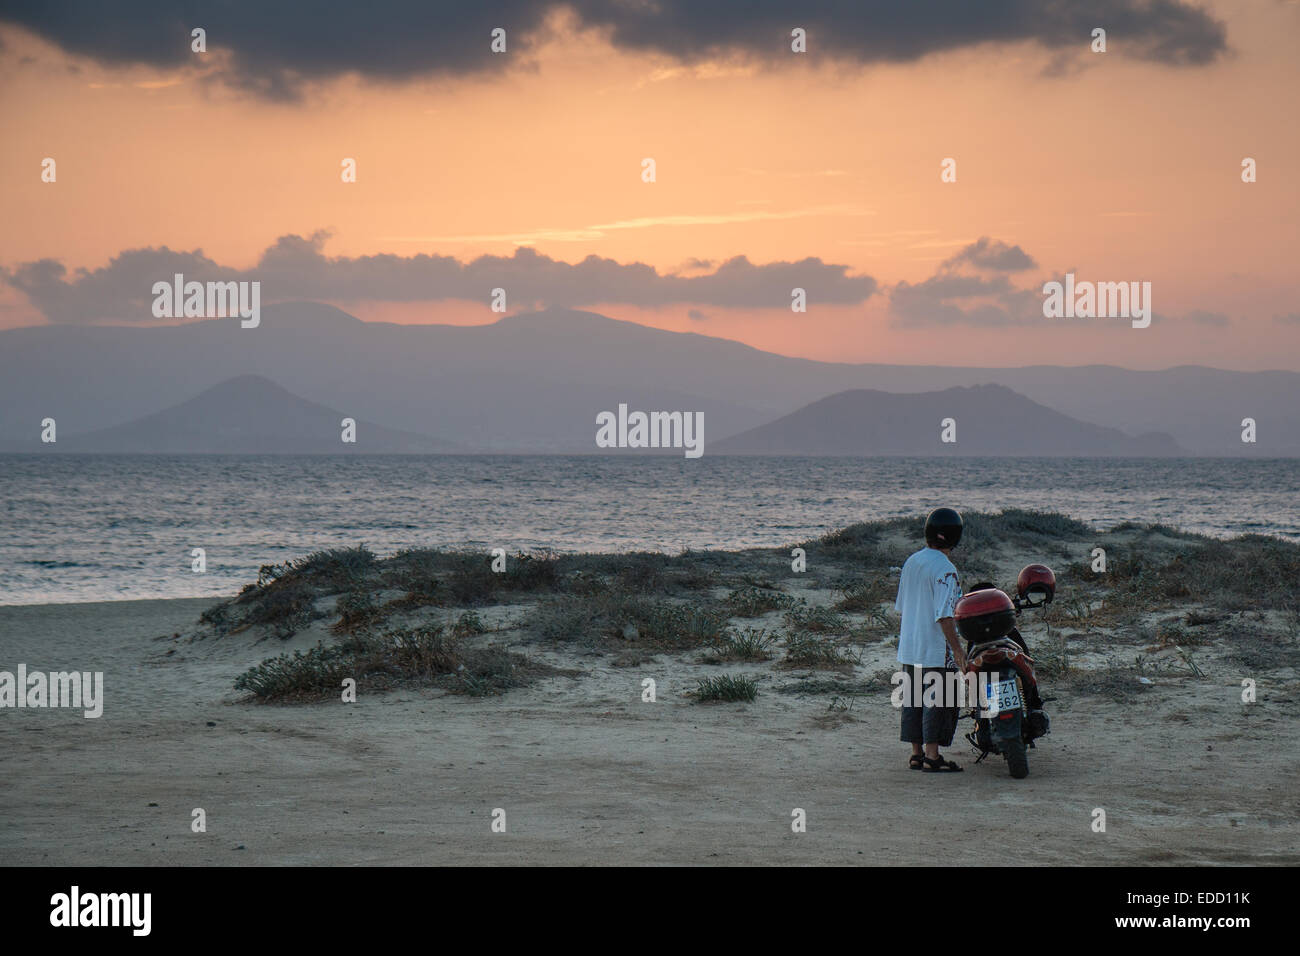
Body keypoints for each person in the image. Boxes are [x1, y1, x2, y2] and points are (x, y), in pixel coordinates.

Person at [896, 507, 967, 773]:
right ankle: (932, 755)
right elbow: (944, 614)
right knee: (940, 698)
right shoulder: (946, 569)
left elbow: (903, 605)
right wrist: (957, 650)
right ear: (954, 537)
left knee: (913, 698)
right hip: (935, 646)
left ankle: (916, 754)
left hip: (910, 644)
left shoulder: (912, 561)